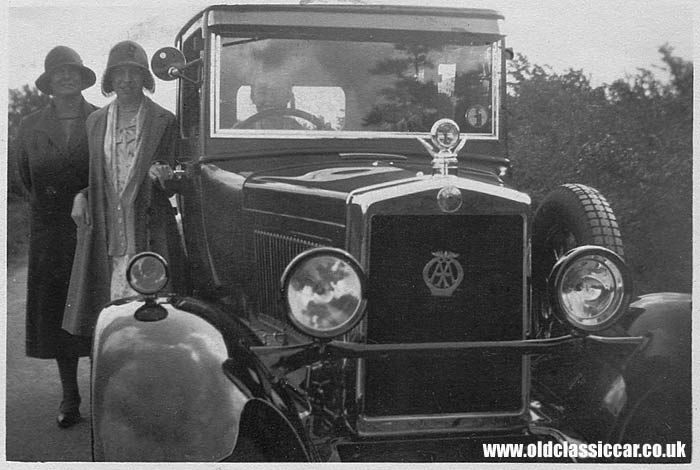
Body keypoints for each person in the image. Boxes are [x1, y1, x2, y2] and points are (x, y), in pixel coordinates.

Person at [63, 41, 185, 343]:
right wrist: (82, 194)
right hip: (107, 230)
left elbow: (175, 172)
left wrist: (164, 175)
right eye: (119, 73)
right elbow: (94, 175)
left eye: (134, 73)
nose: (127, 80)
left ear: (145, 78)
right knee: (108, 313)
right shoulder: (95, 121)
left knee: (154, 312)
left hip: (149, 228)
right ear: (110, 79)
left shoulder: (164, 120)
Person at [15, 45, 98, 428]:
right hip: (50, 230)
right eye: (59, 72)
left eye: (73, 71)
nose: (67, 77)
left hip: (92, 227)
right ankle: (70, 394)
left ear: (82, 78)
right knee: (60, 314)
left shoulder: (100, 118)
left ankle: (104, 391)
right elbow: (25, 178)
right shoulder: (29, 125)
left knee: (98, 308)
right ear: (49, 82)